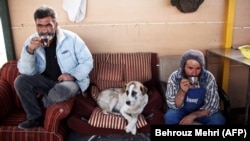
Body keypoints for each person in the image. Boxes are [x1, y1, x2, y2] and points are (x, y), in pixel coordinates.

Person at [14, 5, 93, 129]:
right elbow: (25, 71)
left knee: (61, 91)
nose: (44, 30)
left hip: (68, 82)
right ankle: (35, 118)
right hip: (45, 81)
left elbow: (87, 61)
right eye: (40, 26)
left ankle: (42, 103)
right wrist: (30, 51)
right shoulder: (31, 41)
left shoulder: (71, 38)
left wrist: (72, 75)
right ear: (36, 26)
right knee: (20, 81)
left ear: (55, 25)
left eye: (48, 25)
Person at [164, 49, 225, 125]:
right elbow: (172, 105)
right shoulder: (175, 77)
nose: (194, 73)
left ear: (202, 68)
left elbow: (212, 106)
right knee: (170, 117)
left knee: (218, 121)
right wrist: (182, 92)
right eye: (190, 68)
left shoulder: (208, 77)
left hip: (201, 110)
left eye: (198, 68)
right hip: (181, 110)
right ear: (183, 67)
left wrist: (192, 116)